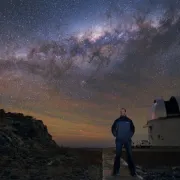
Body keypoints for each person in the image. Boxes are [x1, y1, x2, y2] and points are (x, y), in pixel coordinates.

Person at [111, 108, 136, 176]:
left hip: (127, 140)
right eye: (121, 112)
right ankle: (115, 171)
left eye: (123, 111)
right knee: (118, 156)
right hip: (119, 140)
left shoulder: (129, 120)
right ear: (120, 113)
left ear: (125, 112)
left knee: (130, 156)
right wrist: (116, 135)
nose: (122, 113)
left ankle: (133, 172)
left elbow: (133, 129)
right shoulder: (117, 120)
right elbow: (113, 128)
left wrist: (129, 136)